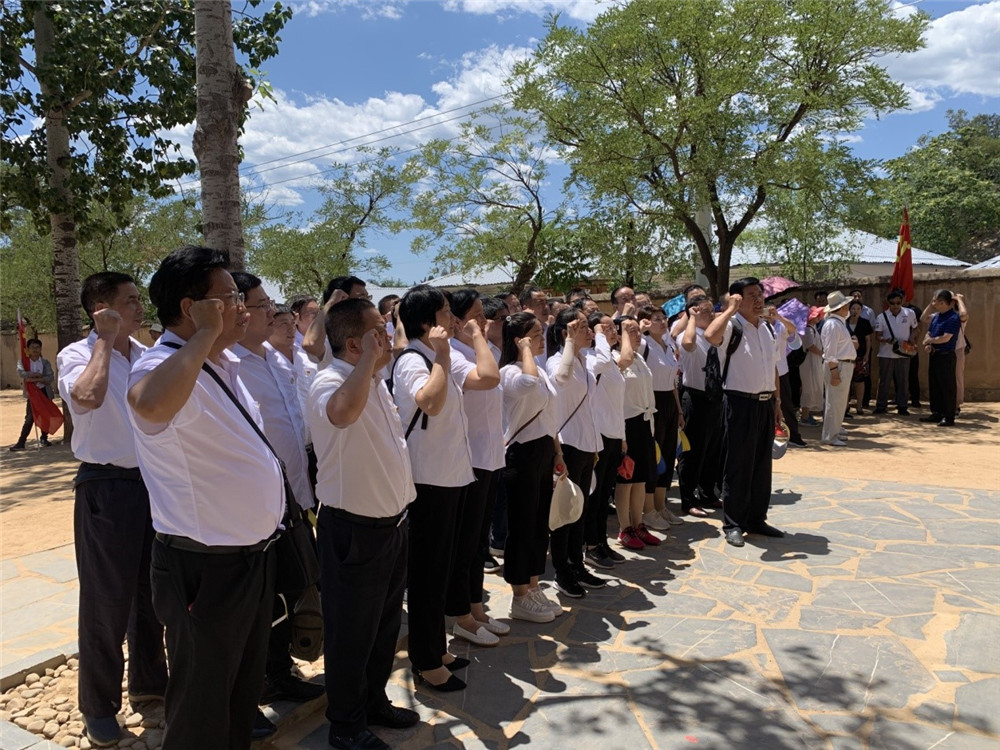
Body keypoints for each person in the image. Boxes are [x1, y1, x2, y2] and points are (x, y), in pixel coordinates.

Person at [127, 246, 285, 749]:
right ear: (191, 307)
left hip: (250, 560)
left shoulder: (225, 363)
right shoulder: (160, 364)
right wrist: (204, 335)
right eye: (230, 297)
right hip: (204, 566)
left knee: (239, 695)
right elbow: (149, 405)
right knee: (201, 705)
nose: (242, 307)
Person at [56, 272, 167, 747]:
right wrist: (103, 339)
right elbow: (87, 397)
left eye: (139, 298)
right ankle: (99, 706)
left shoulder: (145, 355)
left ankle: (149, 684)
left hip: (153, 485)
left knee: (153, 593)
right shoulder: (76, 355)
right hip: (106, 487)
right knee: (106, 602)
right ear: (101, 308)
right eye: (129, 300)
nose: (139, 307)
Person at [307, 297, 419, 750]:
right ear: (355, 343)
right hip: (354, 531)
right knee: (351, 634)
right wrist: (371, 361)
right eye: (378, 331)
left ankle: (373, 702)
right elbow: (341, 413)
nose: (388, 335)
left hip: (391, 526)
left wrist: (372, 364)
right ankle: (346, 725)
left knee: (383, 627)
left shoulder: (373, 380)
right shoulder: (329, 380)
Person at [229, 272, 322, 718]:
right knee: (258, 600)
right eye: (262, 304)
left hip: (294, 494)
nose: (271, 311)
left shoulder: (276, 357)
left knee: (288, 589)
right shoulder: (228, 364)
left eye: (271, 304)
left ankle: (279, 671)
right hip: (256, 504)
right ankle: (256, 684)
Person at [392, 285, 475, 692]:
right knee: (426, 575)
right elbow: (431, 402)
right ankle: (425, 661)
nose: (453, 319)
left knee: (440, 569)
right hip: (428, 481)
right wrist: (442, 354)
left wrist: (441, 354)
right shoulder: (413, 360)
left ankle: (436, 648)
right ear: (426, 322)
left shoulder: (433, 356)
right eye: (445, 312)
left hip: (449, 476)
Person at [443, 290, 507, 646]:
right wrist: (478, 337)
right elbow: (488, 379)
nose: (484, 322)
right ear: (457, 321)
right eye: (477, 315)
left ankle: (475, 607)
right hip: (468, 461)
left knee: (478, 542)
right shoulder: (453, 355)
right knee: (464, 545)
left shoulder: (482, 351)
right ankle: (461, 616)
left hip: (490, 456)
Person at [705, 278, 783, 548]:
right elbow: (710, 336)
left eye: (760, 294)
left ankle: (756, 519)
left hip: (765, 403)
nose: (759, 299)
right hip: (739, 403)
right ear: (738, 299)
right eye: (751, 295)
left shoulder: (767, 328)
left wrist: (777, 402)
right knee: (738, 465)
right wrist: (730, 309)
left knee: (761, 465)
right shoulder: (731, 326)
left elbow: (773, 367)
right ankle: (733, 523)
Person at [499, 312, 563, 623]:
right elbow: (527, 384)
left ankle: (534, 585)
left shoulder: (538, 369)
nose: (541, 340)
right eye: (535, 335)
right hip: (521, 454)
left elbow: (549, 414)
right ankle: (519, 594)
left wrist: (558, 452)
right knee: (522, 526)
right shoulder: (510, 372)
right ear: (519, 340)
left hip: (543, 450)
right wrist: (525, 350)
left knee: (539, 524)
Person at [546, 308, 607, 598]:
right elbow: (561, 378)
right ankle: (562, 570)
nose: (589, 331)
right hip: (567, 444)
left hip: (586, 443)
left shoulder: (585, 360)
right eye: (582, 327)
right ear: (566, 333)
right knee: (564, 512)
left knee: (579, 510)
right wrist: (569, 342)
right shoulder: (556, 360)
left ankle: (577, 564)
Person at [584, 312, 628, 568]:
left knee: (603, 496)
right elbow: (598, 363)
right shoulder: (592, 358)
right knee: (595, 495)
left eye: (613, 328)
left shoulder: (610, 358)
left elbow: (616, 403)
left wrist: (622, 436)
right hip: (598, 435)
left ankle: (601, 541)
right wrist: (599, 336)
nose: (613, 332)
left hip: (612, 435)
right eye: (606, 328)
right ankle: (590, 545)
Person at [614, 316, 660, 550]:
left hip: (644, 423)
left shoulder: (639, 357)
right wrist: (622, 436)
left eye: (636, 330)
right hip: (626, 425)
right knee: (626, 480)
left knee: (641, 479)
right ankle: (625, 528)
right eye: (630, 330)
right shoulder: (616, 358)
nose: (637, 334)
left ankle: (638, 524)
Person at [636, 306, 684, 530]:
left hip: (669, 403)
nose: (662, 322)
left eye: (663, 317)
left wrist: (679, 410)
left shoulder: (669, 344)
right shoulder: (643, 344)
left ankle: (660, 505)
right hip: (651, 403)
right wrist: (639, 329)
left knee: (667, 453)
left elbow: (673, 381)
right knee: (653, 457)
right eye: (656, 319)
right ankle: (648, 510)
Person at [676, 293, 724, 516]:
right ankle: (688, 498)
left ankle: (708, 493)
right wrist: (692, 319)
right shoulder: (688, 334)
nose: (711, 314)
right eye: (705, 311)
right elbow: (687, 344)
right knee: (693, 451)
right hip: (695, 397)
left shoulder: (715, 336)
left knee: (713, 449)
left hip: (716, 397)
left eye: (712, 310)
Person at [920, 289, 962, 427]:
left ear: (943, 302)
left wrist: (931, 341)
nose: (933, 303)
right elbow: (926, 325)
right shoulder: (937, 316)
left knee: (947, 387)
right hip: (935, 355)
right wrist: (928, 343)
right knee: (935, 385)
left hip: (946, 356)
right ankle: (936, 412)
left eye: (936, 301)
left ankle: (948, 416)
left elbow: (946, 337)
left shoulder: (953, 317)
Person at [819, 292, 855, 447]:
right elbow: (830, 352)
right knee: (834, 402)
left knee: (839, 401)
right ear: (842, 308)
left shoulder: (837, 323)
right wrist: (834, 372)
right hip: (839, 365)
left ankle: (835, 430)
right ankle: (830, 436)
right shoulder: (833, 325)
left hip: (843, 364)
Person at [873, 290, 917, 415]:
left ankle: (902, 406)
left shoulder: (910, 313)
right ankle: (881, 406)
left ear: (902, 302)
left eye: (898, 303)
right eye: (892, 303)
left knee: (903, 381)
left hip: (904, 352)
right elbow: (878, 336)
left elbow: (916, 328)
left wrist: (912, 339)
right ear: (888, 303)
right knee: (884, 381)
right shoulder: (881, 317)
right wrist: (886, 340)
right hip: (886, 353)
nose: (895, 305)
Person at [10, 338, 55, 451]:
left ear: (40, 349)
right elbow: (22, 373)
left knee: (46, 415)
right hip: (32, 393)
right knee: (30, 418)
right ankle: (21, 442)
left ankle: (44, 438)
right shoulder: (23, 362)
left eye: (37, 347)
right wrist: (34, 374)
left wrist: (36, 379)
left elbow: (50, 377)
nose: (35, 350)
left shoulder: (45, 362)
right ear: (28, 349)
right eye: (32, 347)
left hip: (44, 392)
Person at [846, 300, 874, 415]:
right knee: (846, 381)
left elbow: (868, 340)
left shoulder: (865, 322)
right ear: (849, 309)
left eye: (858, 309)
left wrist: (867, 354)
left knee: (860, 380)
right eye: (853, 308)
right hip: (847, 356)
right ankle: (846, 405)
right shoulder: (844, 322)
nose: (855, 311)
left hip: (860, 355)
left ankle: (859, 406)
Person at [799, 309, 824, 426]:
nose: (819, 317)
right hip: (809, 362)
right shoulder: (808, 329)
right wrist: (822, 353)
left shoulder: (813, 329)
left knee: (813, 387)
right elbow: (810, 346)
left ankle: (807, 414)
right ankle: (804, 416)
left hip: (814, 361)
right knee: (808, 388)